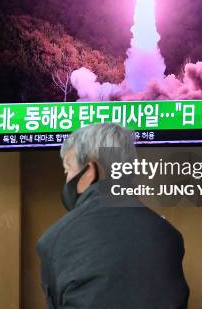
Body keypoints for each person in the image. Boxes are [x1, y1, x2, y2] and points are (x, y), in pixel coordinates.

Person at [37, 123, 189, 308]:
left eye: (67, 170)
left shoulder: (55, 239)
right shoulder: (170, 235)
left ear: (89, 172)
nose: (67, 179)